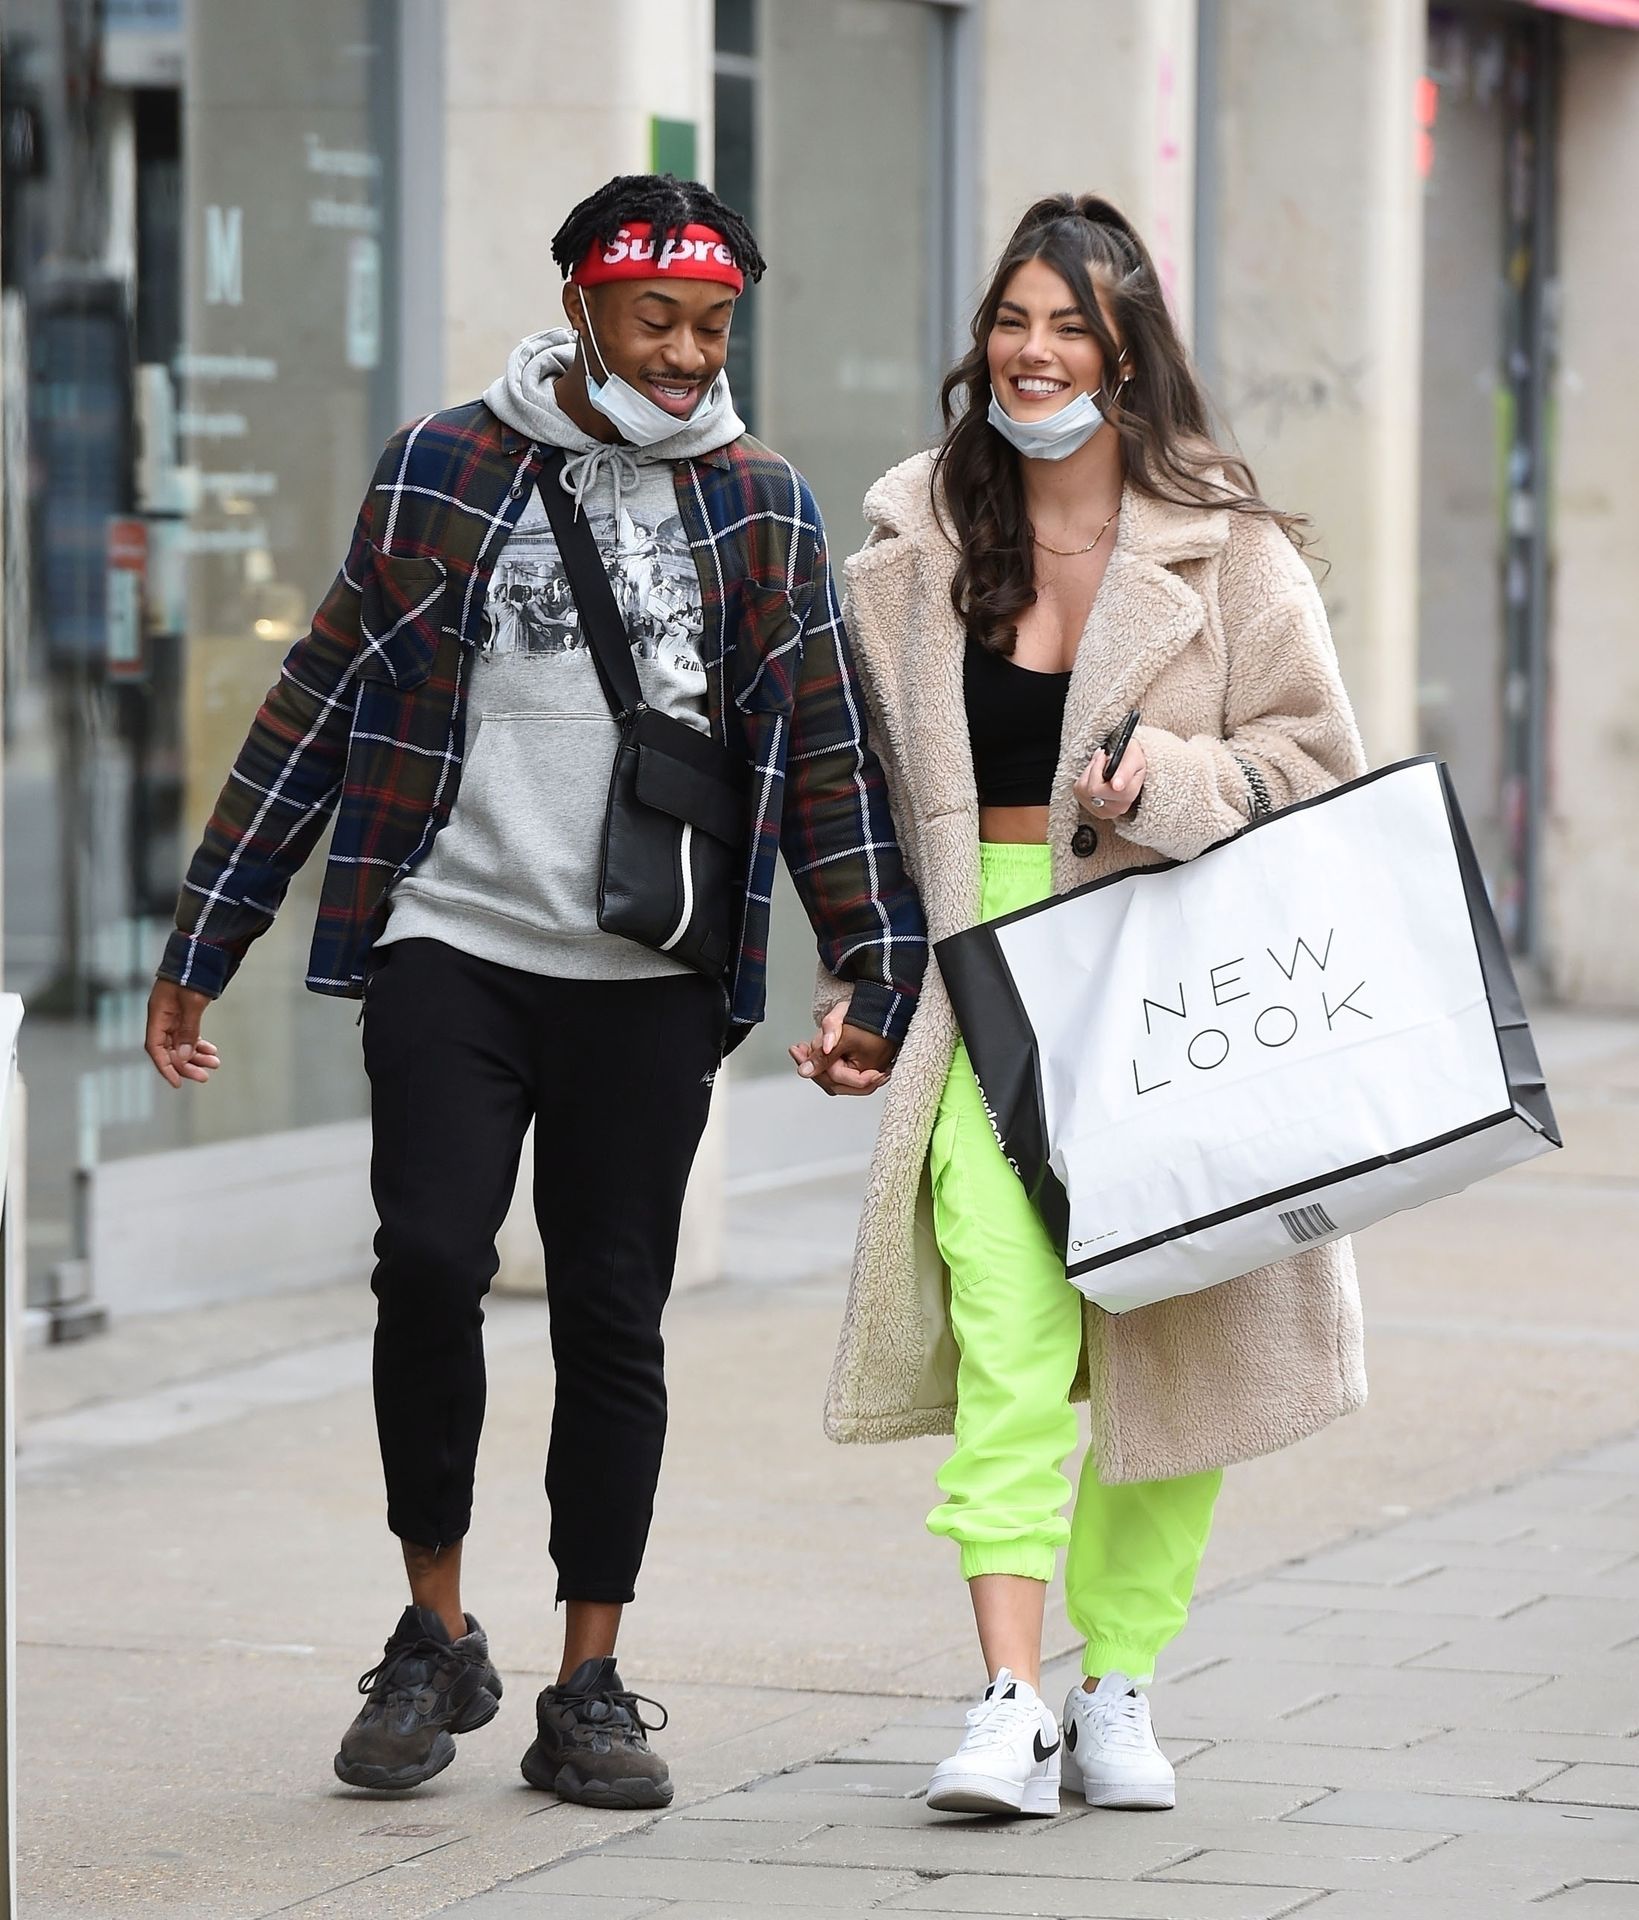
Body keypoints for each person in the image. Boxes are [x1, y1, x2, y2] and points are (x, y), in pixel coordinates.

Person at [144, 172, 926, 1807]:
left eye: (714, 327)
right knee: (428, 1259)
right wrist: (205, 939)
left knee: (609, 1311)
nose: (687, 355)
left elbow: (828, 749)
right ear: (578, 300)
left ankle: (589, 1676)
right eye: (657, 320)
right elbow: (320, 697)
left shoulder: (760, 500)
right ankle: (434, 1635)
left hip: (645, 975)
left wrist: (874, 963)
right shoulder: (446, 466)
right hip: (454, 935)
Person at [801, 194, 1367, 1819]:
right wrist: (863, 981)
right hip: (984, 977)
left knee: (1167, 1333)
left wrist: (1169, 778)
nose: (1032, 353)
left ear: (1127, 361)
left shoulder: (1230, 553)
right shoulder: (911, 548)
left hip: (1163, 978)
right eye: (1013, 321)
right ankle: (1005, 1701)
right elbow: (863, 806)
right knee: (1010, 1329)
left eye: (1069, 329)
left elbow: (1315, 767)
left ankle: (1118, 1682)